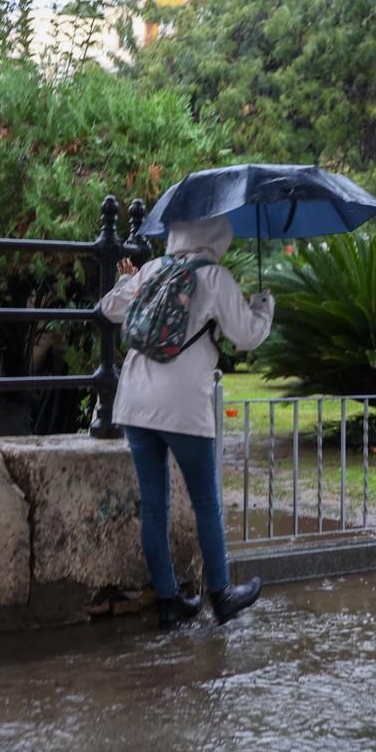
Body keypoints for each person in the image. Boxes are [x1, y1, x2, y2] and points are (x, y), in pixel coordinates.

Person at [99, 216, 275, 629]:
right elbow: (247, 336)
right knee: (205, 502)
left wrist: (127, 280)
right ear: (217, 235)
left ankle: (169, 602)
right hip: (182, 405)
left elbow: (110, 309)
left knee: (154, 507)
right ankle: (221, 594)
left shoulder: (153, 269)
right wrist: (263, 306)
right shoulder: (213, 277)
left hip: (135, 401)